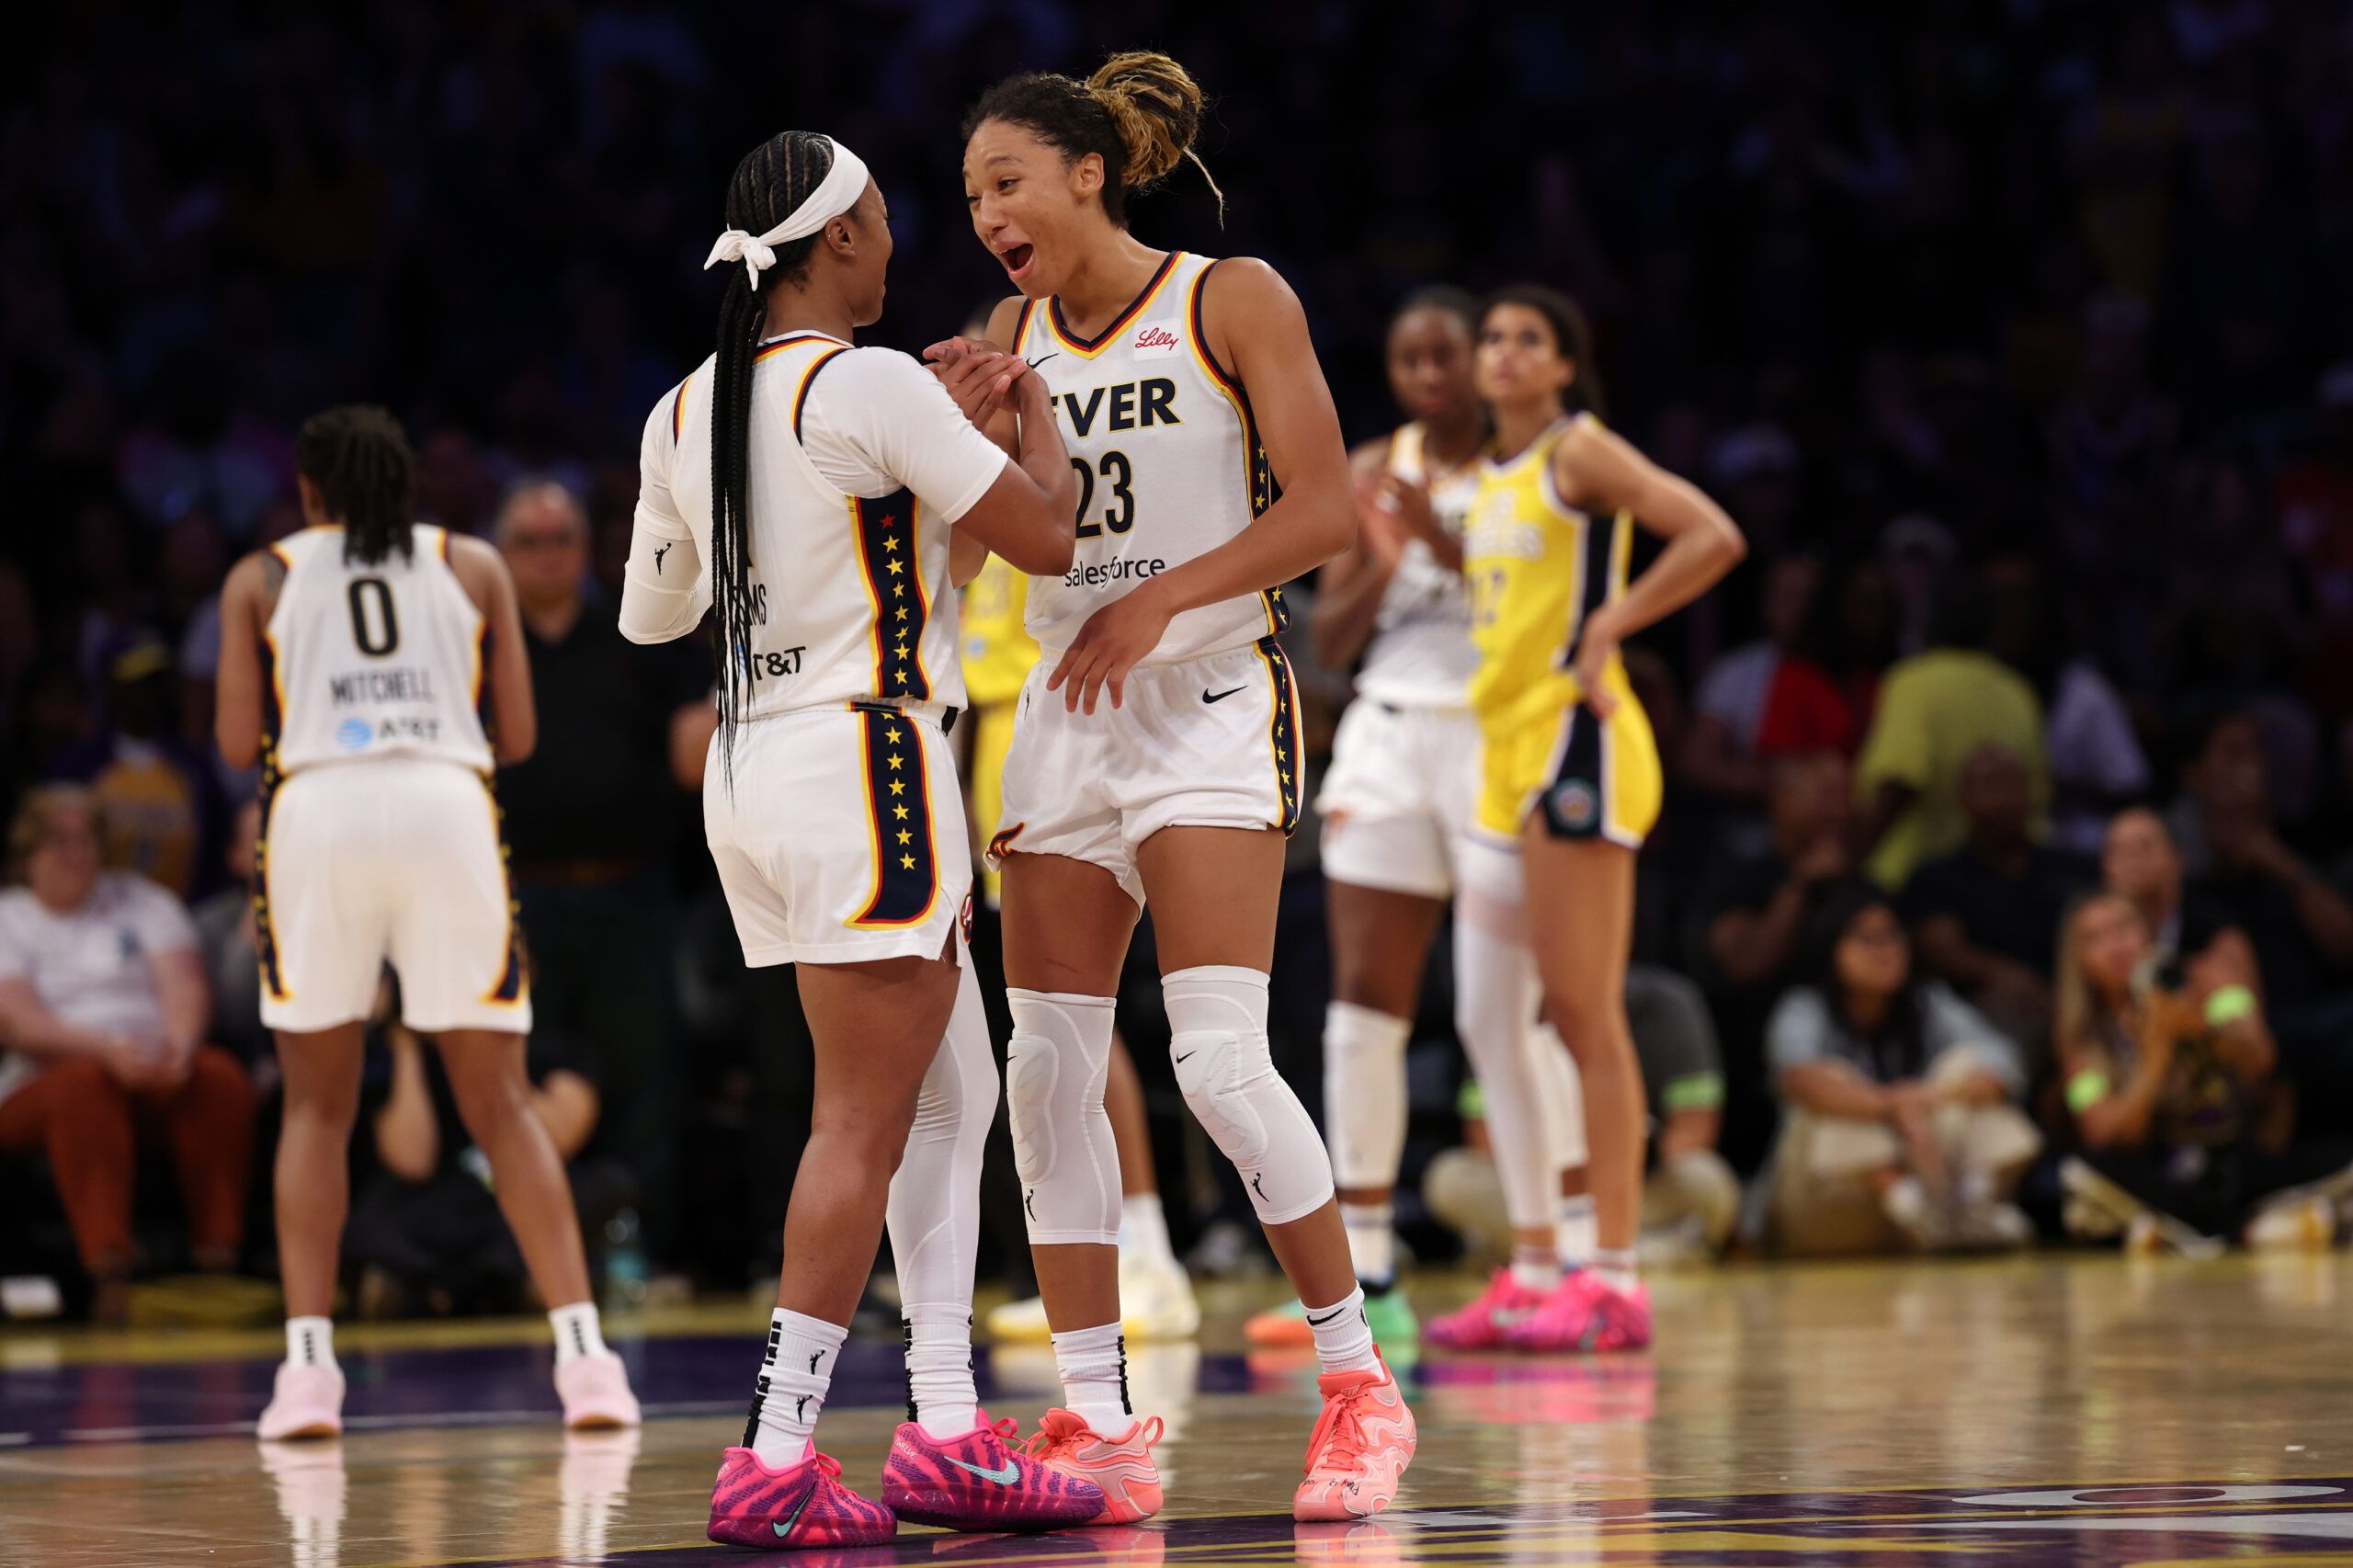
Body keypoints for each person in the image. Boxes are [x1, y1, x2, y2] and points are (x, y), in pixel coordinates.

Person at [935, 52, 1414, 1522]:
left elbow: (1326, 513)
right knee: (1047, 1068)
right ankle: (1101, 1419)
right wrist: (963, 436)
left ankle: (1356, 1382)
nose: (986, 216)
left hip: (1206, 699)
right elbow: (1012, 543)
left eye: (1005, 181)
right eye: (967, 197)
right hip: (1068, 716)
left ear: (1091, 172)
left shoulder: (1232, 297)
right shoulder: (1006, 332)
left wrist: (1160, 601)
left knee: (1213, 1059)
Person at [620, 130, 1094, 1548]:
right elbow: (1050, 539)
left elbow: (655, 614)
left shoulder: (685, 404)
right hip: (868, 756)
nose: (900, 241)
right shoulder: (871, 381)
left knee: (948, 1091)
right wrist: (1025, 413)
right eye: (886, 219)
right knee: (866, 1115)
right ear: (838, 242)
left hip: (754, 767)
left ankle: (945, 1425)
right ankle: (774, 1449)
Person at [214, 405, 640, 1440]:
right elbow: (520, 736)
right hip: (446, 807)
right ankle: (585, 1358)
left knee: (316, 1108)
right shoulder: (475, 562)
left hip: (319, 810)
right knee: (498, 1098)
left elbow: (235, 741)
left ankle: (309, 1370)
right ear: (406, 488)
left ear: (310, 493)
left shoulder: (260, 576)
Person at [1449, 284, 1745, 1351]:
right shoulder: (1484, 478)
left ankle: (1613, 1272)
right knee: (1493, 1020)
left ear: (1566, 365)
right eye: (1492, 336)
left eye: (1530, 339)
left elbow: (1711, 534)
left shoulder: (1580, 452)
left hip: (1576, 743)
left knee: (1582, 1011)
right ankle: (1534, 1267)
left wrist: (1614, 623)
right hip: (1498, 758)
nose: (1505, 352)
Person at [1251, 285, 1499, 1352]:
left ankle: (1558, 1256)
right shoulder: (1366, 472)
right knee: (1360, 1007)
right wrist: (1385, 551)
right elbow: (1336, 640)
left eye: (1449, 353)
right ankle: (1371, 1265)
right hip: (1392, 734)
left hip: (1497, 731)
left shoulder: (1529, 464)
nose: (1432, 372)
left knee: (1504, 1008)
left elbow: (1537, 611)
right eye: (1412, 358)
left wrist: (1445, 547)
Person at [493, 478, 708, 1262]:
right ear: (502, 554)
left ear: (588, 549)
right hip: (520, 901)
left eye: (562, 539)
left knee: (647, 1074)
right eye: (529, 541)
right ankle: (523, 1249)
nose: (548, 556)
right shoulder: (478, 644)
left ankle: (641, 1248)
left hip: (630, 892)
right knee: (526, 1079)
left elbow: (692, 750)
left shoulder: (637, 636)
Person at [0, 785, 253, 1324]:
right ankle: (108, 1271)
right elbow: (18, 1022)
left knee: (218, 1077)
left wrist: (180, 1046)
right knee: (83, 1087)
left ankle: (218, 1259)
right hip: (45, 1078)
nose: (77, 853)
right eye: (60, 841)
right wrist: (107, 1051)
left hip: (150, 1064)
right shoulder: (10, 917)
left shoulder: (143, 901)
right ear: (28, 853)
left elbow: (185, 985)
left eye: (88, 839)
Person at [2052, 892, 2353, 1249]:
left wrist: (2200, 1027)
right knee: (2082, 1176)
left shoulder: (2209, 976)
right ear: (2080, 960)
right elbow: (2102, 1133)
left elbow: (2262, 1059)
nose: (2115, 945)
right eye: (2095, 938)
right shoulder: (2079, 1034)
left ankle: (2185, 1233)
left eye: (2124, 927)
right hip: (2161, 1168)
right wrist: (2156, 1055)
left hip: (2235, 1157)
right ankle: (2249, 1229)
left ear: (2151, 932)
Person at [1765, 883, 2040, 1254]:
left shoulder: (1928, 1002)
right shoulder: (1804, 1009)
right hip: (1834, 1211)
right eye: (1867, 939)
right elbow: (1800, 1080)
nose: (1885, 950)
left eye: (1892, 936)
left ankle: (1972, 1202)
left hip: (1928, 1198)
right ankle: (1903, 1196)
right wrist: (1892, 1105)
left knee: (1964, 1065)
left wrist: (1930, 1099)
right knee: (1836, 1081)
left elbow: (2002, 1058)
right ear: (1832, 950)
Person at [1853, 575, 2048, 889]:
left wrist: (1854, 861)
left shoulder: (1914, 683)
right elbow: (2036, 797)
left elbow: (1900, 781)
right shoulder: (2018, 691)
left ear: (1928, 623)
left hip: (1912, 881)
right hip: (2002, 881)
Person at [1899, 742, 2096, 1047]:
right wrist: (2002, 973)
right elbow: (1940, 949)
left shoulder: (2074, 868)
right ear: (1962, 799)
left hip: (2080, 1002)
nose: (2004, 798)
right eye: (1990, 785)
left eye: (2012, 784)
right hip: (1988, 1019)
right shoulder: (1938, 877)